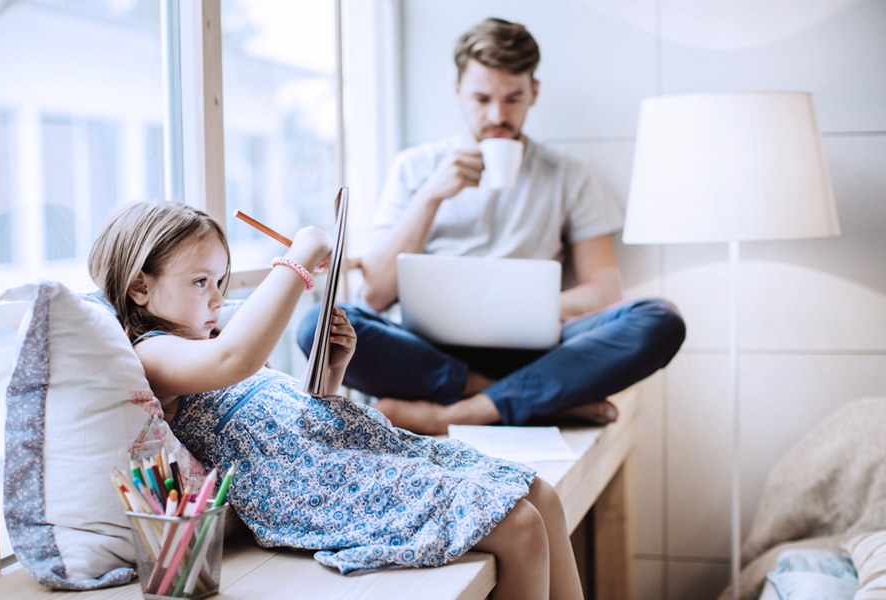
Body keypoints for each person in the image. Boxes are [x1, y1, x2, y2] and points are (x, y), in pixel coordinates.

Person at [88, 200, 584, 600]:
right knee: (519, 525)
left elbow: (291, 413)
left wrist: (329, 373)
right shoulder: (153, 351)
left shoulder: (207, 335)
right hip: (312, 484)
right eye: (201, 283)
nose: (218, 299)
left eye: (220, 281)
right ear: (140, 287)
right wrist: (297, 259)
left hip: (345, 451)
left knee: (541, 494)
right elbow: (232, 361)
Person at [299, 17, 686, 435]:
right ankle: (524, 400)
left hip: (535, 350)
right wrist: (431, 196)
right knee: (317, 326)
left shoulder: (570, 175)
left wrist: (523, 313)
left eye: (513, 98)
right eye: (482, 98)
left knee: (659, 319)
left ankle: (458, 413)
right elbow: (376, 293)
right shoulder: (417, 169)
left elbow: (605, 291)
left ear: (534, 92)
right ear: (457, 91)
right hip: (429, 351)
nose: (497, 115)